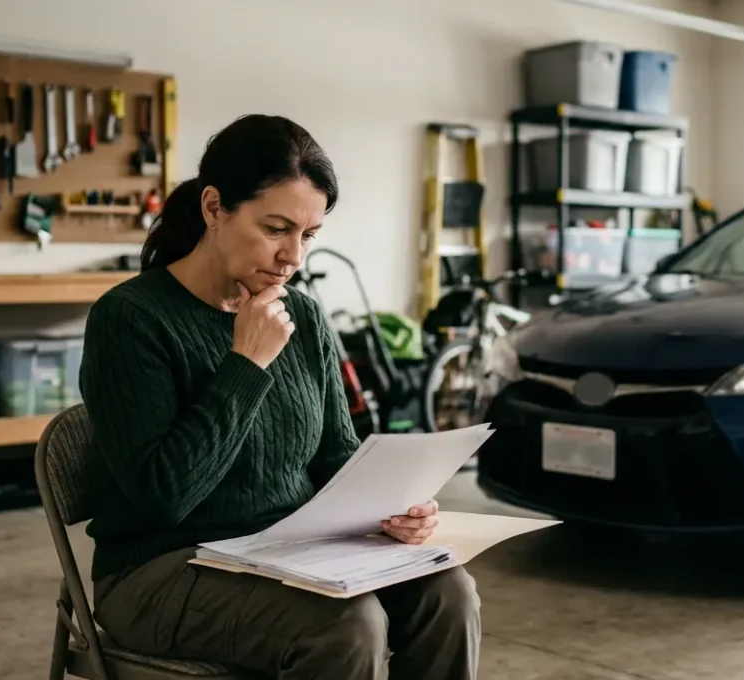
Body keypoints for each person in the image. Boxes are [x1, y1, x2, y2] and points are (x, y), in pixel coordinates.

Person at [77, 114, 481, 680]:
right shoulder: (130, 318)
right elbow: (164, 498)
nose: (294, 257)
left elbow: (337, 456)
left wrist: (395, 508)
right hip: (158, 570)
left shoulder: (304, 316)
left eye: (308, 235)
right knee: (346, 625)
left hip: (289, 551)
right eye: (276, 228)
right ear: (214, 207)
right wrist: (247, 363)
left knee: (448, 592)